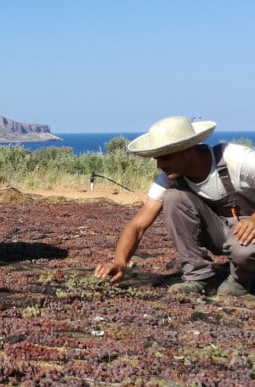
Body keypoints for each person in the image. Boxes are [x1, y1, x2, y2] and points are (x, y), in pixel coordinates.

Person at [95, 115, 255, 296]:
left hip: (249, 234)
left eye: (165, 158)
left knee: (244, 249)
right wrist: (119, 261)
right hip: (225, 234)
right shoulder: (169, 179)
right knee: (173, 197)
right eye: (157, 159)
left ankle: (240, 281)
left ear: (186, 151)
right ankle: (200, 277)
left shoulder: (236, 158)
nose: (159, 165)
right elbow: (138, 225)